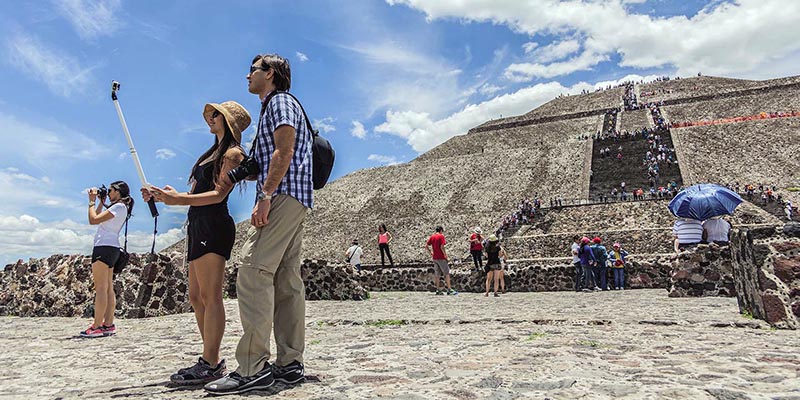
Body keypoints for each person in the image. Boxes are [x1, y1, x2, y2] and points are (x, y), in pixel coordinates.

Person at [205, 53, 312, 395]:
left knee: (252, 272)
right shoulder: (278, 106)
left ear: (271, 73)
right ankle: (290, 364)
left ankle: (252, 368)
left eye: (252, 70)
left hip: (280, 195)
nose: (247, 76)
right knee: (285, 281)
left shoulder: (279, 102)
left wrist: (265, 193)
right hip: (296, 197)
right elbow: (271, 156)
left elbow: (284, 150)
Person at [144, 101, 251, 384]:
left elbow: (217, 194)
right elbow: (195, 193)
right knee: (196, 296)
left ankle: (211, 362)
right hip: (198, 224)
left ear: (227, 121)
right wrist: (165, 195)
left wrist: (178, 199)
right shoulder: (211, 153)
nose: (210, 118)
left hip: (214, 223)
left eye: (215, 115)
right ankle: (210, 358)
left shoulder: (232, 153)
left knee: (210, 294)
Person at [82, 181, 134, 338]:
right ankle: (108, 324)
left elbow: (93, 220)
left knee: (101, 289)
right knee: (108, 288)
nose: (109, 193)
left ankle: (96, 326)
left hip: (103, 247)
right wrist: (101, 203)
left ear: (118, 192)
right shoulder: (119, 208)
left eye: (111, 190)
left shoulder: (118, 207)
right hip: (112, 248)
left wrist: (91, 201)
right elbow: (98, 217)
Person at [426, 226, 456, 295]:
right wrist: (445, 255)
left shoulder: (432, 236)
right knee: (446, 273)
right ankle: (449, 289)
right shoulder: (441, 236)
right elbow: (442, 247)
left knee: (437, 274)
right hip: (441, 257)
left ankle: (438, 290)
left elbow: (426, 246)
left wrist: (431, 253)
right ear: (441, 230)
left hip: (435, 258)